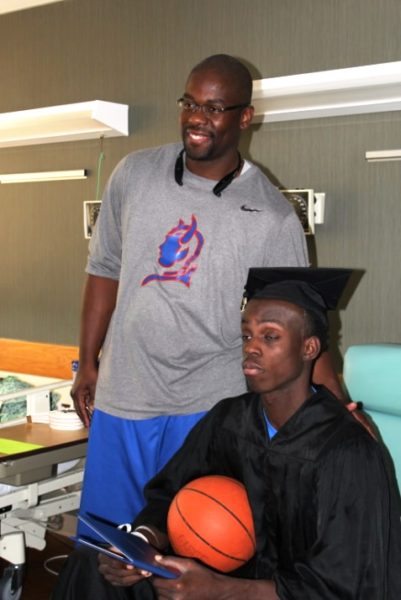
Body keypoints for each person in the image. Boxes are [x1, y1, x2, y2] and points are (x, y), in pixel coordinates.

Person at [72, 54, 346, 538]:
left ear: (245, 117)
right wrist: (87, 362)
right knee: (108, 550)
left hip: (208, 408)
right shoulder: (134, 175)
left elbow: (301, 325)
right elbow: (104, 270)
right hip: (123, 397)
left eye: (215, 108)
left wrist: (340, 408)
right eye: (190, 103)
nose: (197, 118)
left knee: (188, 549)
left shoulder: (273, 217)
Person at [53, 267, 401, 599]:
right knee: (92, 566)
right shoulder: (229, 420)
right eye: (247, 334)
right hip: (221, 584)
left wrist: (221, 591)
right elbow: (169, 495)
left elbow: (346, 585)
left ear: (309, 348)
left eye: (270, 336)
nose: (251, 346)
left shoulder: (346, 451)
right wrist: (142, 543)